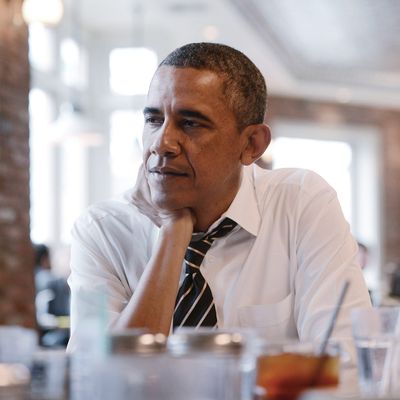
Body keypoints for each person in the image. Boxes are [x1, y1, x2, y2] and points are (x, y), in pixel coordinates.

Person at [67, 43, 371, 364]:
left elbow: (346, 361)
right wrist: (173, 233)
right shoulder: (102, 229)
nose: (162, 143)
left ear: (251, 144)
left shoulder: (300, 203)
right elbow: (93, 378)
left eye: (190, 123)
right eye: (154, 120)